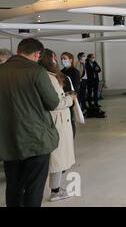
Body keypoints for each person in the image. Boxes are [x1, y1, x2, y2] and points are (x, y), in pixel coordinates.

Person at [0, 38, 60, 207]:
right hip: (35, 139)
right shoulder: (36, 71)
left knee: (13, 185)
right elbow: (52, 102)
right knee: (34, 187)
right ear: (37, 54)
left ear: (18, 50)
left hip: (8, 140)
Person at [39, 49, 76, 202]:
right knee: (57, 158)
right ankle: (55, 191)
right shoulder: (50, 77)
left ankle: (55, 188)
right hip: (58, 121)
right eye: (55, 58)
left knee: (57, 157)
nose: (57, 61)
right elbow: (55, 102)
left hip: (56, 120)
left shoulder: (46, 76)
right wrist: (70, 99)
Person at [61, 52, 81, 138]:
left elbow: (75, 87)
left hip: (72, 98)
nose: (63, 60)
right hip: (63, 98)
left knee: (71, 120)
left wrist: (71, 96)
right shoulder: (61, 72)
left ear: (71, 59)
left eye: (65, 58)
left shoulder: (75, 72)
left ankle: (71, 138)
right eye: (61, 59)